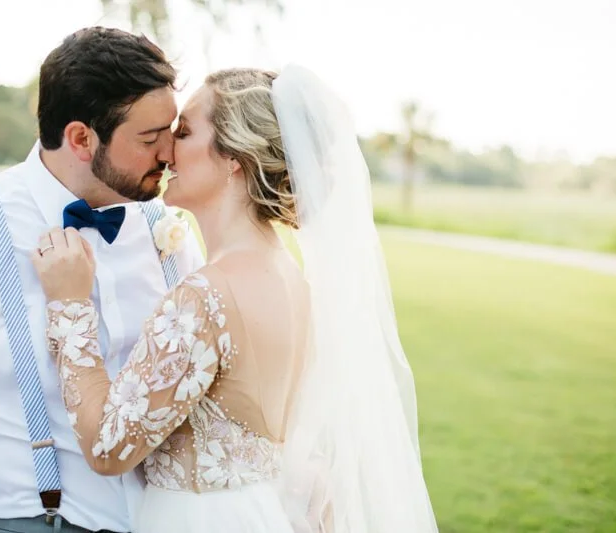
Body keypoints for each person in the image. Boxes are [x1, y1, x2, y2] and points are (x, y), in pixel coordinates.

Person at [33, 65, 439, 533]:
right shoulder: (292, 280)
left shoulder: (204, 297)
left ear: (234, 159)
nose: (166, 151)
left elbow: (109, 447)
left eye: (184, 132)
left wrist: (70, 304)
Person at [0, 27, 203, 533]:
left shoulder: (168, 232)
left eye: (170, 131)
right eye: (149, 138)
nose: (169, 153)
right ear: (81, 138)